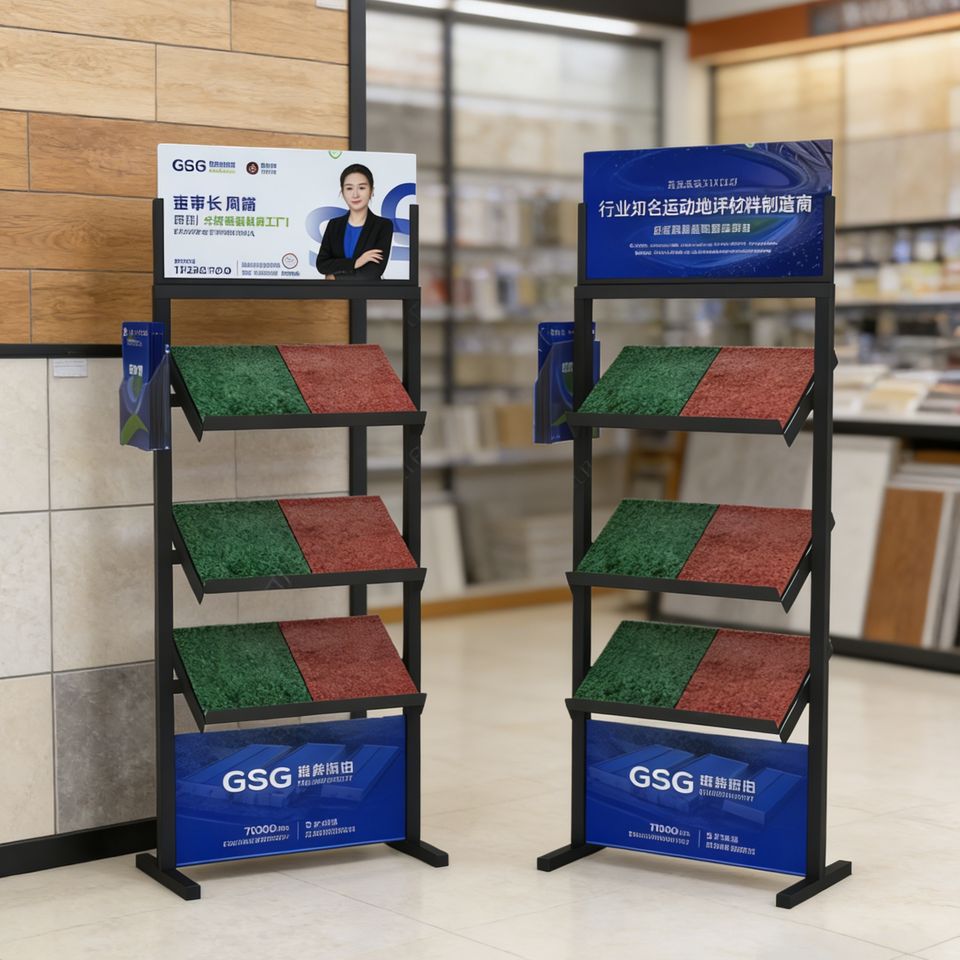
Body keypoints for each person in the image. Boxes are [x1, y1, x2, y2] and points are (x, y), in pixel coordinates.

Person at [316, 163, 393, 279]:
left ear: (371, 191)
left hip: (368, 291)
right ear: (342, 192)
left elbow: (372, 272)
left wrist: (335, 277)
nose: (355, 194)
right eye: (349, 188)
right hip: (336, 292)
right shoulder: (334, 225)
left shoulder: (383, 226)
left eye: (362, 188)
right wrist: (355, 263)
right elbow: (322, 265)